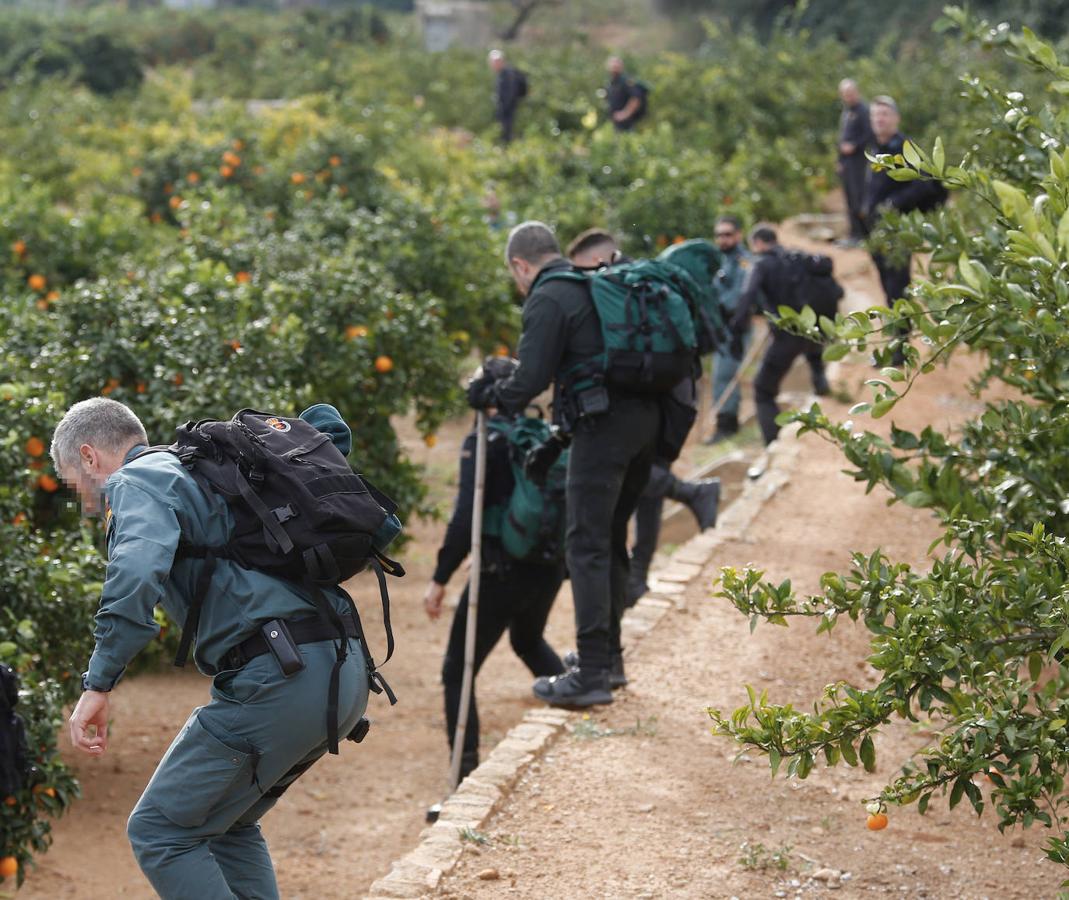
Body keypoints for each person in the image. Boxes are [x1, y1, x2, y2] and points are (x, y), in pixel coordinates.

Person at [58, 398, 369, 900]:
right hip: (341, 667)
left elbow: (135, 574)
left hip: (283, 674)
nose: (86, 501)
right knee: (224, 826)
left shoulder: (136, 482)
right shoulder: (204, 471)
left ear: (90, 457)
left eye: (76, 484)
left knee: (159, 832)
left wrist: (99, 683)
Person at [467, 221, 659, 707]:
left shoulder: (548, 295)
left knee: (585, 544)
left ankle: (592, 673)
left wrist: (492, 394)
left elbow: (529, 378)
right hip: (643, 423)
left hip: (603, 428)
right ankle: (608, 661)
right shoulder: (587, 282)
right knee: (611, 538)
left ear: (521, 265)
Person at [423, 374, 566, 782]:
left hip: (502, 571)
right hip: (549, 566)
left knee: (457, 671)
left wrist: (439, 577)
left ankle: (463, 774)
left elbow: (466, 513)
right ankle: (572, 715)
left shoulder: (484, 442)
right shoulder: (544, 435)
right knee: (527, 640)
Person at [566, 228, 720, 605]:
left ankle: (693, 493)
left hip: (661, 397)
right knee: (647, 488)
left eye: (582, 269)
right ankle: (638, 577)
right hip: (677, 393)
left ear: (600, 258)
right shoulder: (648, 283)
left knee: (644, 478)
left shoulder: (622, 288)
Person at [863, 95, 948, 363]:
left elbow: (925, 184)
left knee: (897, 288)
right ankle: (894, 345)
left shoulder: (904, 147)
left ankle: (899, 351)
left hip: (897, 231)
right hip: (876, 233)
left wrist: (893, 204)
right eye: (875, 115)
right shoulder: (877, 148)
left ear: (896, 118)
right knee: (888, 290)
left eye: (885, 114)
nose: (879, 120)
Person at [730, 225, 832, 446]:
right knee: (813, 354)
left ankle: (773, 441)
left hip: (787, 335)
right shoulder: (797, 257)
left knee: (762, 389)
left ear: (757, 243)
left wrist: (737, 328)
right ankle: (821, 384)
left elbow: (748, 295)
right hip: (812, 329)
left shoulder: (761, 264)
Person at [706, 214, 754, 444]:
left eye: (727, 234)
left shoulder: (745, 261)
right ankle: (726, 423)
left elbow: (740, 297)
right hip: (722, 327)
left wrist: (721, 306)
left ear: (738, 235)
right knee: (721, 375)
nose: (722, 239)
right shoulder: (722, 260)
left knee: (725, 375)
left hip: (736, 327)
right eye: (719, 235)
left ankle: (727, 425)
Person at [837, 79, 874, 245]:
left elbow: (869, 135)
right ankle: (854, 234)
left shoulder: (863, 111)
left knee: (860, 198)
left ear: (857, 92)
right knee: (850, 199)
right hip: (847, 163)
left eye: (851, 93)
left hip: (860, 161)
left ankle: (864, 234)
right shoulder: (846, 112)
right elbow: (842, 138)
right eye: (845, 94)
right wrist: (840, 159)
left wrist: (855, 146)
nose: (848, 96)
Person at [488, 49, 525, 145]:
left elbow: (510, 94)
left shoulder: (507, 74)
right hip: (506, 109)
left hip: (507, 110)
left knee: (506, 134)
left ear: (500, 61)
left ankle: (507, 150)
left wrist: (503, 109)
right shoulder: (502, 74)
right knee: (503, 132)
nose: (492, 65)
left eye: (494, 62)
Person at [605, 56, 648, 132]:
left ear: (621, 66)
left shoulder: (626, 81)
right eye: (612, 65)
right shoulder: (611, 83)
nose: (614, 67)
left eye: (616, 65)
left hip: (627, 124)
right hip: (615, 123)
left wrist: (625, 114)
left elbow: (636, 98)